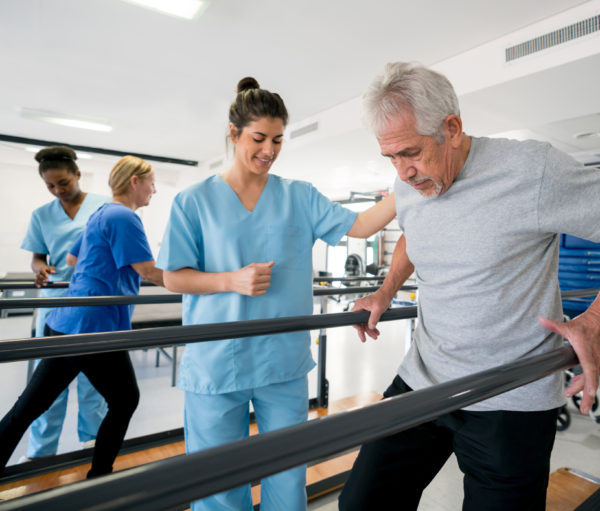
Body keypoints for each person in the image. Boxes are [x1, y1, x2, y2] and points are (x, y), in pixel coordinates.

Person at [338, 62, 600, 511]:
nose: (403, 172)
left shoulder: (532, 170)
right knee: (362, 503)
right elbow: (413, 232)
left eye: (411, 153)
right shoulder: (409, 182)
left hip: (510, 393)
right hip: (424, 379)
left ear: (452, 128)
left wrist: (594, 319)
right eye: (391, 158)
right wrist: (385, 290)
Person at [157, 77, 396, 511]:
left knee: (287, 478)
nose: (269, 150)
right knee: (217, 483)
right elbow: (172, 277)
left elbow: (360, 226)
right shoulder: (194, 201)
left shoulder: (298, 196)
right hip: (217, 359)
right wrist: (230, 280)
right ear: (234, 134)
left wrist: (409, 185)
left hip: (281, 361)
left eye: (278, 140)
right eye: (259, 138)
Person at [0, 155, 164, 478]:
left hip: (64, 323)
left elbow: (74, 259)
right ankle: (99, 477)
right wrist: (204, 282)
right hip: (94, 327)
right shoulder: (124, 217)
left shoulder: (101, 213)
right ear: (135, 182)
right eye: (151, 183)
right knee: (126, 399)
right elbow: (149, 272)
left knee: (29, 407)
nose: (154, 191)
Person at [20, 145, 108, 460]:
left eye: (64, 183)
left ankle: (94, 448)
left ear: (78, 175)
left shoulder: (104, 206)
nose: (58, 190)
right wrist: (39, 269)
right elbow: (37, 258)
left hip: (92, 304)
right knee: (48, 388)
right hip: (55, 304)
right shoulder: (41, 215)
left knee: (92, 384)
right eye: (50, 186)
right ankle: (40, 454)